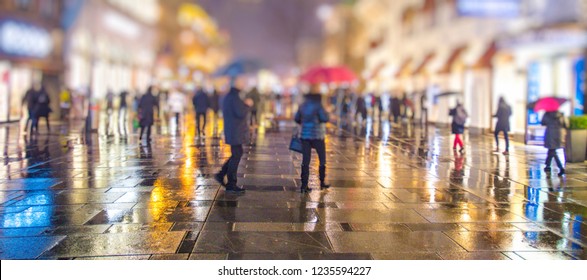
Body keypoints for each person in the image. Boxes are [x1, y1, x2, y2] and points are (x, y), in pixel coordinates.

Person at [215, 77, 253, 194]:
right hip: (235, 130)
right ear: (236, 83)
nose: (243, 83)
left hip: (232, 129)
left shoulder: (229, 96)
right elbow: (240, 112)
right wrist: (247, 105)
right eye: (241, 82)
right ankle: (231, 184)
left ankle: (221, 174)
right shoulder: (234, 97)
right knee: (237, 154)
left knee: (237, 153)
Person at [295, 84, 331, 193]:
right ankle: (322, 182)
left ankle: (304, 185)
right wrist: (327, 111)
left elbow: (297, 118)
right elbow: (324, 119)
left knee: (305, 161)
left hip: (305, 136)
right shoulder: (319, 106)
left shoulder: (302, 105)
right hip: (317, 136)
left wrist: (305, 123)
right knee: (322, 159)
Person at [541, 111, 566, 176]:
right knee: (552, 150)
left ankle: (561, 167)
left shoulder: (547, 114)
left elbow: (543, 123)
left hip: (550, 133)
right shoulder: (561, 114)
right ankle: (547, 165)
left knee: (552, 150)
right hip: (559, 134)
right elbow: (566, 124)